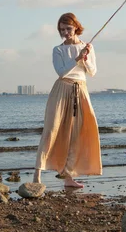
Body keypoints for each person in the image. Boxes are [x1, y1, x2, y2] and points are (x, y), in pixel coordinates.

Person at [32, 13, 102, 188]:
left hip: (81, 90)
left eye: (68, 29)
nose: (65, 32)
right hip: (62, 89)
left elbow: (92, 72)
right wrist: (77, 58)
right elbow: (62, 72)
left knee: (77, 132)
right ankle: (37, 173)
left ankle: (68, 177)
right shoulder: (58, 49)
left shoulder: (88, 47)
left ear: (76, 27)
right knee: (51, 129)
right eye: (62, 30)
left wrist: (85, 59)